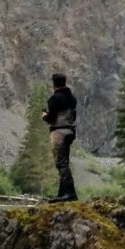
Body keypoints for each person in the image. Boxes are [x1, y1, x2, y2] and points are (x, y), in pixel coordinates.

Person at [42, 73, 78, 201]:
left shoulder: (54, 99)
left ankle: (70, 193)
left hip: (59, 132)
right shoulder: (72, 98)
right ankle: (61, 194)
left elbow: (51, 118)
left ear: (54, 84)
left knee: (61, 163)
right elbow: (73, 116)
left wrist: (44, 115)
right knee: (65, 162)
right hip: (70, 132)